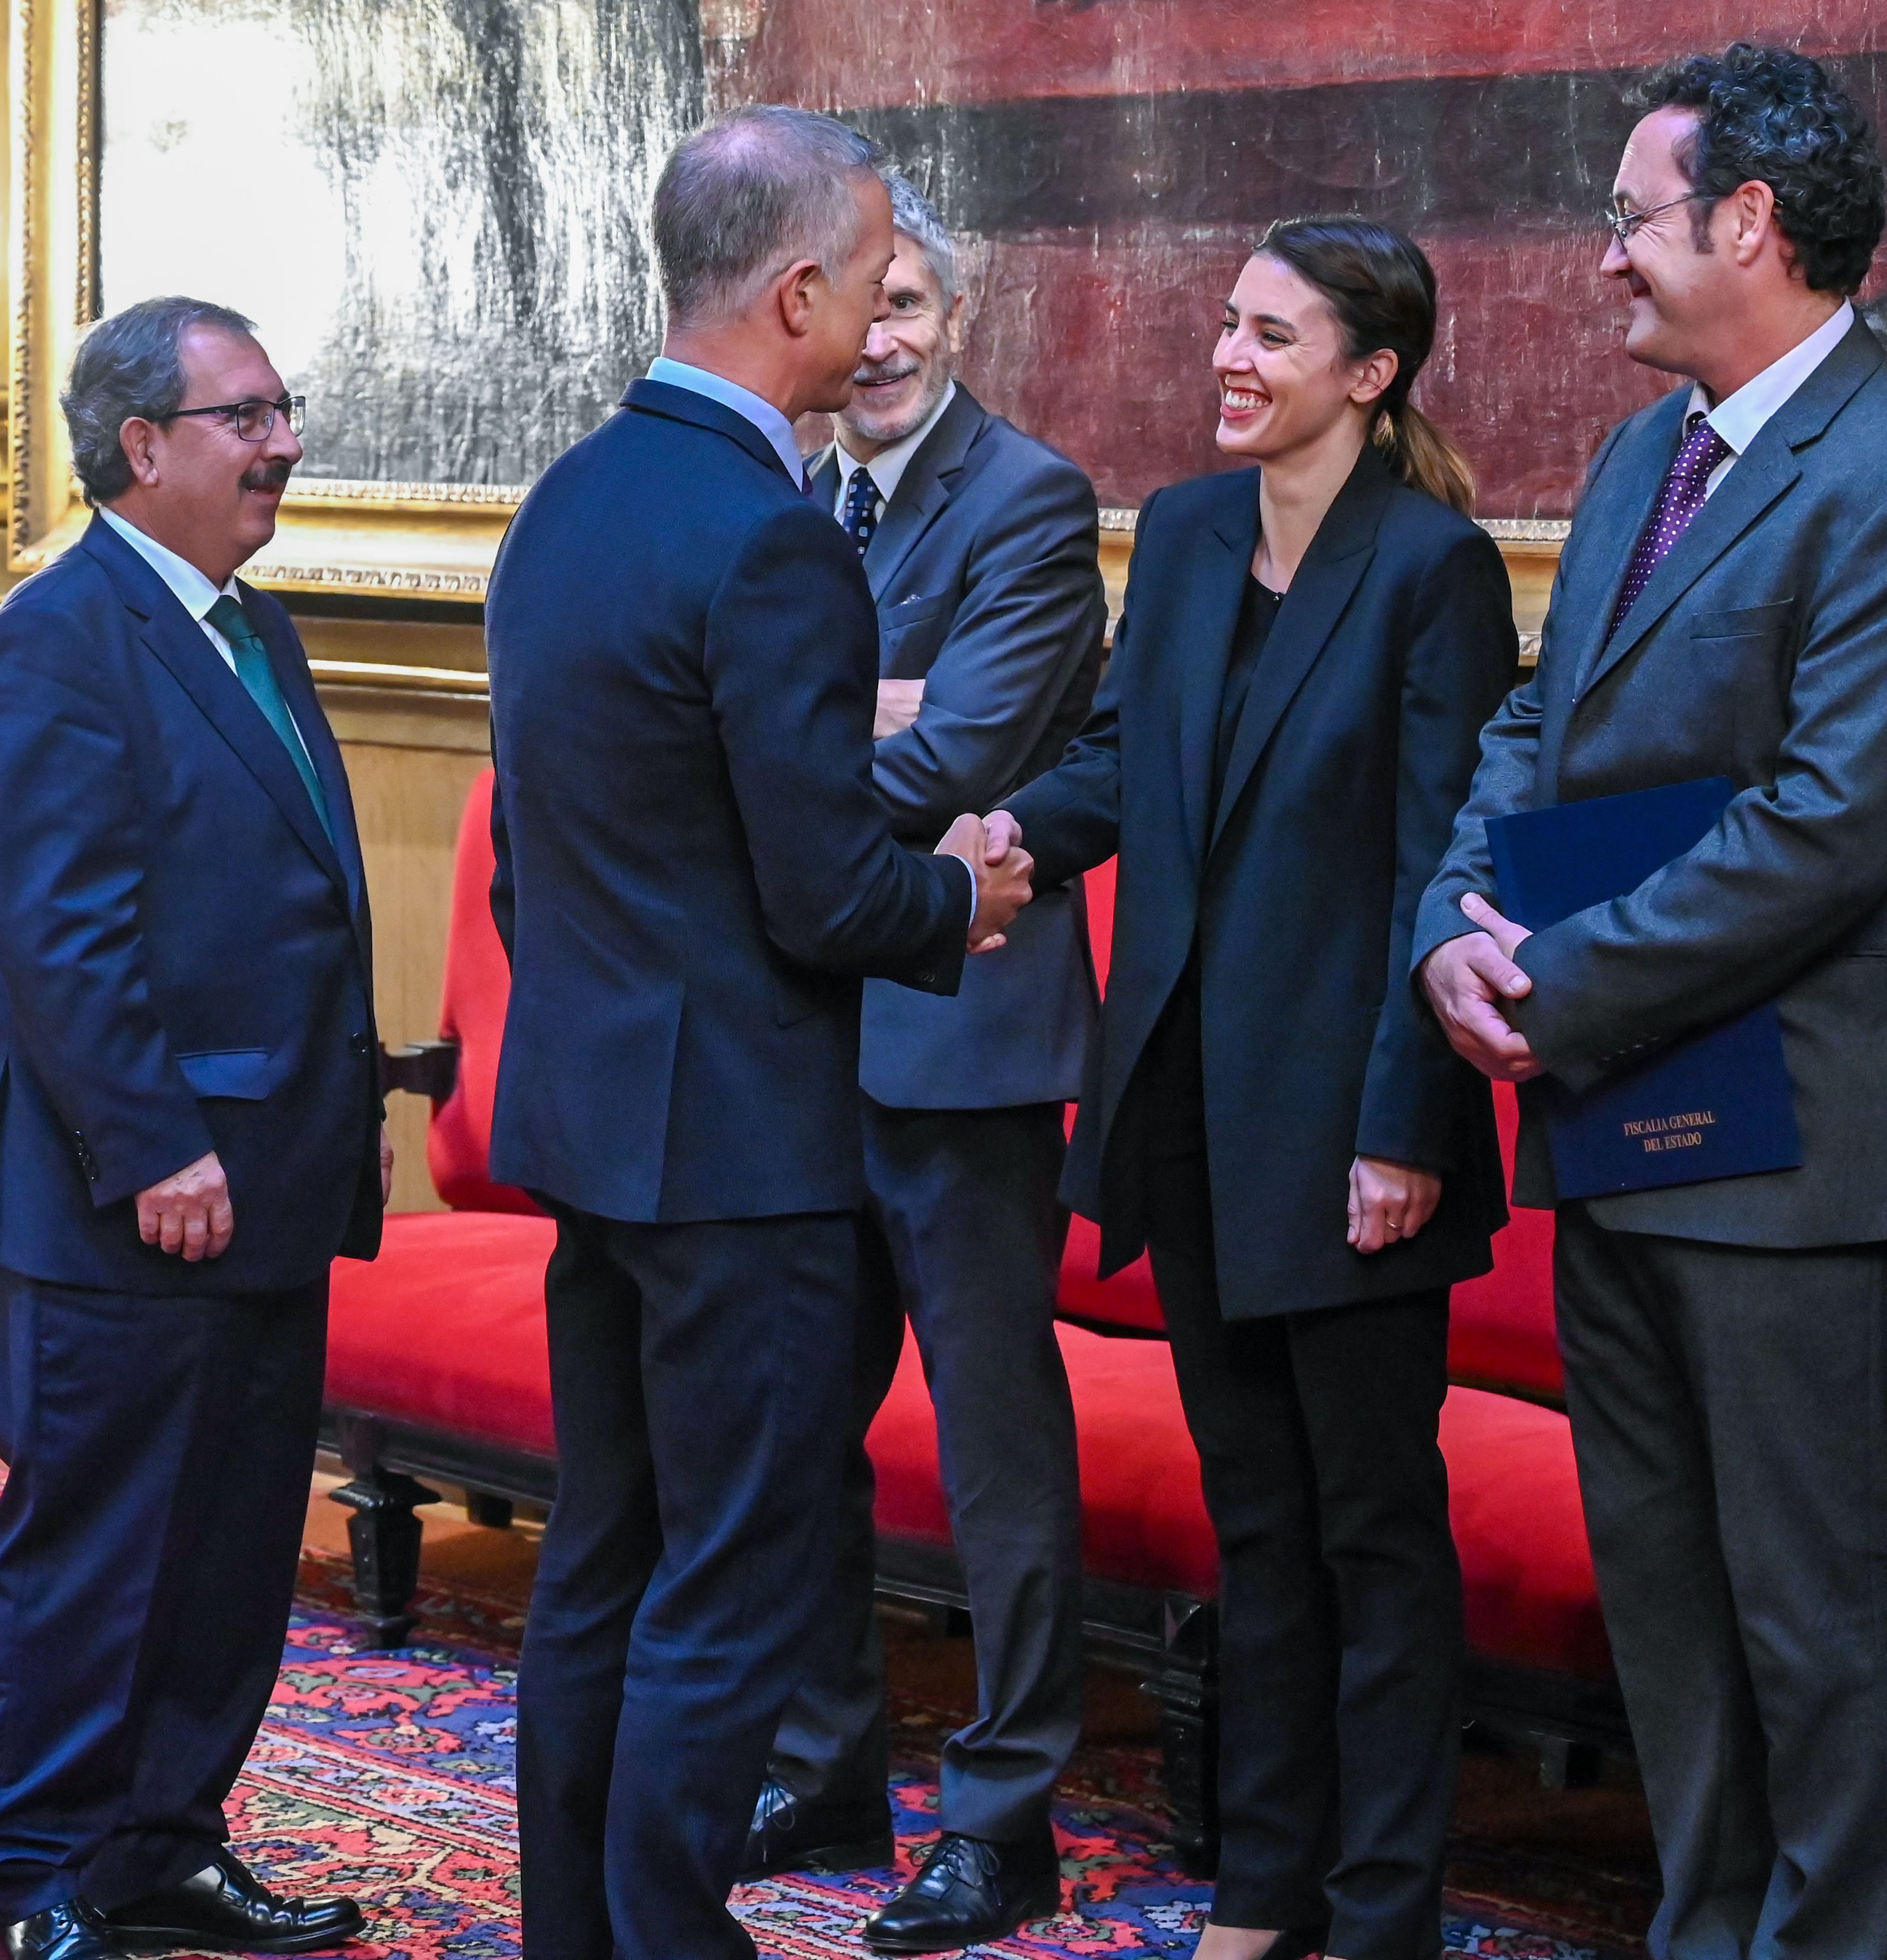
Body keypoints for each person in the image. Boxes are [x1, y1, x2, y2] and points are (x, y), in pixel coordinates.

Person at [1415, 47, 1887, 1960]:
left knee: (1809, 1606)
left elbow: (1828, 833)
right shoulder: (1644, 456)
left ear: (1747, 225)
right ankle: (1708, 1930)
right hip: (1619, 1116)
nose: (1605, 260)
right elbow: (1539, 723)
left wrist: (1555, 982)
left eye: (1630, 218)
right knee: (1664, 1592)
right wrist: (1455, 924)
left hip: (1797, 1147)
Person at [485, 108, 1035, 1960]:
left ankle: (584, 1934)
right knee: (728, 1590)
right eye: (880, 267)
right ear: (797, 291)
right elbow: (824, 899)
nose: (895, 295)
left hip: (596, 1137)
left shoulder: (568, 500)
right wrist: (968, 895)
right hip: (743, 1161)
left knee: (604, 1571)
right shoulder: (770, 538)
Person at [993, 216, 1516, 1960]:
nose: (1230, 355)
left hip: (1356, 1132)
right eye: (1228, 323)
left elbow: (1444, 869)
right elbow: (1125, 767)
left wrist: (1403, 1129)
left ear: (1368, 375)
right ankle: (1265, 1893)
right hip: (1190, 1121)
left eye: (1272, 336)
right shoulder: (1195, 532)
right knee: (1260, 1529)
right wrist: (997, 839)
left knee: (1374, 1532)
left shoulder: (1433, 570)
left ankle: (1381, 1912)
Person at [0, 296, 384, 1960]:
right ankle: (34, 1884)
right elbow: (61, 938)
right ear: (145, 447)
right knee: (98, 1559)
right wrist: (154, 1148)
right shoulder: (58, 637)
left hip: (267, 1185)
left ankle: (162, 1848)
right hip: (133, 1206)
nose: (285, 441)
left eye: (285, 408)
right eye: (250, 415)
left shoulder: (248, 631)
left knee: (224, 1555)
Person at [745, 170, 1108, 1953]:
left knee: (994, 1458)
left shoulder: (1029, 500)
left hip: (968, 1043)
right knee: (803, 1427)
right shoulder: (789, 492)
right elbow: (886, 753)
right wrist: (857, 729)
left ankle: (1005, 1815)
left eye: (911, 311)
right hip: (809, 1045)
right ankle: (820, 1765)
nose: (879, 344)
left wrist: (802, 746)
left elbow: (968, 742)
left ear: (954, 327)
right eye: (857, 308)